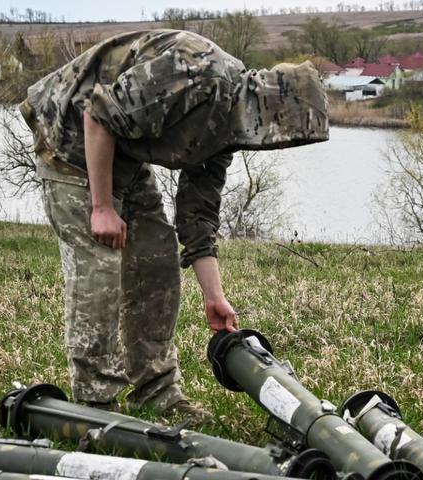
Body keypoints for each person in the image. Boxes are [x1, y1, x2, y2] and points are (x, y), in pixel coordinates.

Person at [20, 29, 328, 422]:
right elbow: (98, 114)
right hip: (70, 140)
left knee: (157, 261)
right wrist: (101, 207)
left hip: (122, 154)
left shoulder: (231, 126)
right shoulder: (200, 72)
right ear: (270, 110)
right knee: (99, 268)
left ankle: (157, 394)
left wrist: (213, 296)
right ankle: (96, 407)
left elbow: (197, 217)